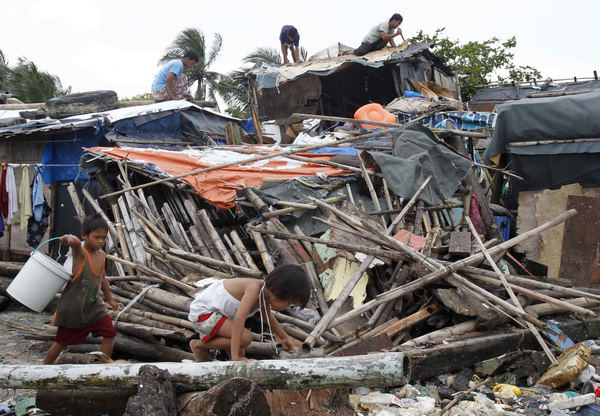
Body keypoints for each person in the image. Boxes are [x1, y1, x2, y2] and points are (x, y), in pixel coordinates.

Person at [44, 213, 123, 364]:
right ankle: (42, 371)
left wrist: (111, 300)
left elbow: (103, 279)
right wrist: (64, 238)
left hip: (94, 307)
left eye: (104, 237)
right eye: (96, 237)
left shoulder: (101, 255)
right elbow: (73, 241)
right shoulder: (80, 254)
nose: (101, 241)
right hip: (74, 309)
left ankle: (103, 369)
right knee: (61, 342)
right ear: (84, 236)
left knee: (109, 333)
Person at [188, 264, 310, 361]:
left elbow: (267, 316)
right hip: (204, 314)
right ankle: (198, 345)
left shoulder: (263, 294)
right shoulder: (254, 289)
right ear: (278, 291)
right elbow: (238, 321)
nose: (286, 307)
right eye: (288, 303)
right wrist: (236, 358)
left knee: (241, 350)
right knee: (245, 339)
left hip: (218, 317)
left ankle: (208, 360)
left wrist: (285, 338)